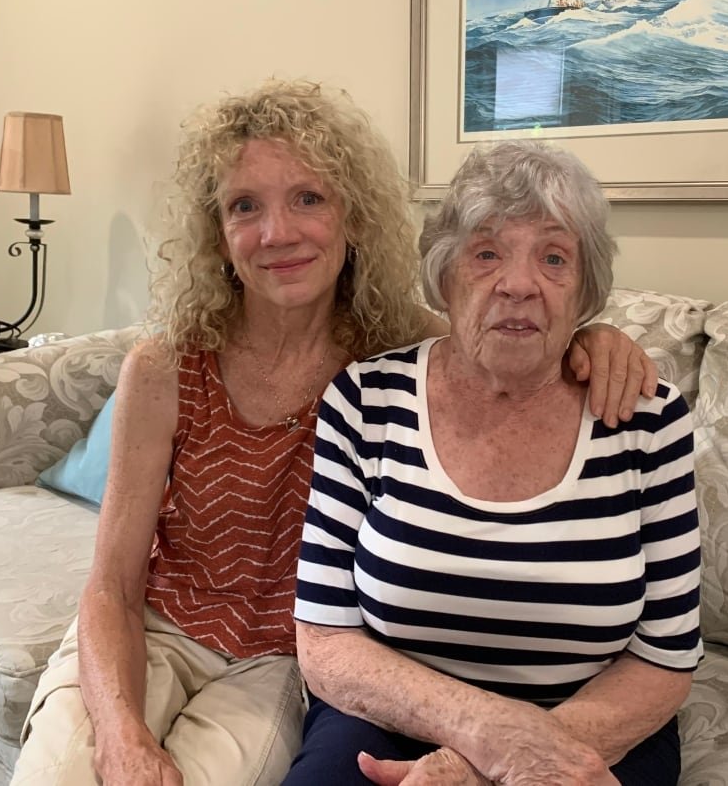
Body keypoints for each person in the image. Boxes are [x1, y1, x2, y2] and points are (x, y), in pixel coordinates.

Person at [10, 82, 659, 786]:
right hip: (153, 630)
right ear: (216, 236)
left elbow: (509, 338)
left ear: (353, 215)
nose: (277, 232)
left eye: (308, 198)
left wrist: (597, 338)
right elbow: (109, 586)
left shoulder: (399, 349)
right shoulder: (166, 366)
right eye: (244, 206)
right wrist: (121, 735)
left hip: (283, 660)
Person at [287, 140, 702, 786]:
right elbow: (324, 641)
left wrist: (495, 764)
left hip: (594, 721)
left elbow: (666, 657)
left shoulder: (647, 420)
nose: (518, 284)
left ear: (585, 289)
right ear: (444, 277)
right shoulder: (365, 399)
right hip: (395, 714)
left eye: (554, 257)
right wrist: (485, 735)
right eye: (486, 253)